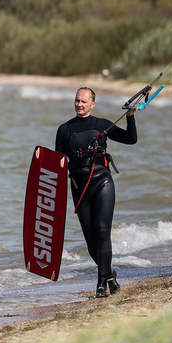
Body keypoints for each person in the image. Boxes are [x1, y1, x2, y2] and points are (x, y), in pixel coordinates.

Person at [55, 87, 137, 298]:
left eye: (84, 101)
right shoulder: (64, 130)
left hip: (102, 182)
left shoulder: (102, 124)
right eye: (77, 101)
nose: (79, 104)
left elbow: (130, 139)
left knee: (102, 231)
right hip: (79, 187)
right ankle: (109, 274)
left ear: (92, 104)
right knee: (91, 241)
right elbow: (58, 165)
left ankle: (101, 284)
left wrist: (130, 117)